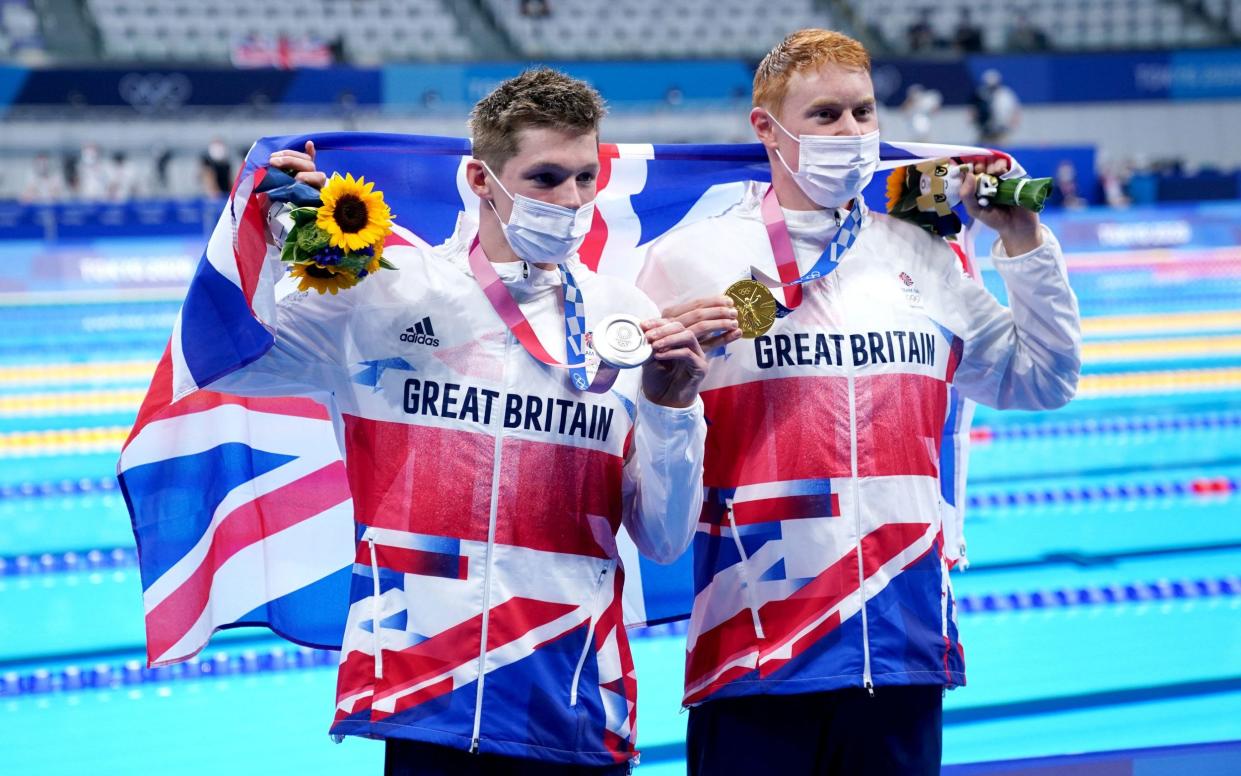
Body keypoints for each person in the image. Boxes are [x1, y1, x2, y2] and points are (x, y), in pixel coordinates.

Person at [219, 68, 720, 774]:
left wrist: (673, 407)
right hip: (423, 694)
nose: (571, 201)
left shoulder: (626, 319)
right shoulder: (386, 296)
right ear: (481, 180)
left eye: (585, 178)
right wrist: (268, 233)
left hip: (570, 694)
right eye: (545, 178)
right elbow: (233, 361)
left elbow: (664, 541)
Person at [637, 28, 1081, 775]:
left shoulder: (916, 254)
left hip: (902, 640)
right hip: (754, 648)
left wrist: (1025, 245)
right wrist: (666, 400)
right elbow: (652, 490)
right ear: (765, 129)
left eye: (863, 113)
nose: (851, 133)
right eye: (825, 116)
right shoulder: (689, 258)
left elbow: (1041, 379)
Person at [973, 68, 1021, 146]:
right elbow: (974, 108)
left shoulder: (1006, 94)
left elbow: (1014, 109)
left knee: (1002, 148)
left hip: (1002, 128)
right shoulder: (981, 93)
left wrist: (1013, 123)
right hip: (985, 129)